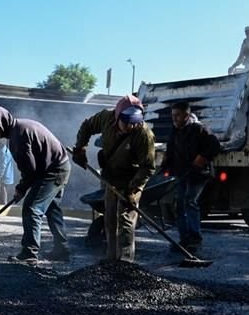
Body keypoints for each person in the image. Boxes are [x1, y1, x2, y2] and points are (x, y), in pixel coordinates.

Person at [0, 105, 71, 264]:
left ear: (2, 123)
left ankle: (29, 253)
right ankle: (62, 250)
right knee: (51, 208)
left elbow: (30, 170)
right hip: (60, 166)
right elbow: (32, 170)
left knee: (31, 208)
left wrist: (20, 189)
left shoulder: (18, 136)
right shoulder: (20, 127)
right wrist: (23, 188)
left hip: (54, 170)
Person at [73, 96, 155, 263]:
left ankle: (125, 261)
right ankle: (111, 260)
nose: (131, 126)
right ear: (117, 117)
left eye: (135, 122)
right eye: (127, 122)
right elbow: (87, 126)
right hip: (111, 176)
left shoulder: (144, 134)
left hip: (133, 178)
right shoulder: (106, 118)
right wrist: (80, 148)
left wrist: (132, 190)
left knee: (125, 219)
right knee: (110, 218)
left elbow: (147, 167)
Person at [159, 102, 221, 253]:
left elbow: (214, 145)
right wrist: (165, 167)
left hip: (198, 173)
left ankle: (195, 239)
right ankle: (184, 239)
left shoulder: (199, 129)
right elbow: (170, 150)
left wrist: (201, 158)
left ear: (186, 115)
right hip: (182, 174)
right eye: (173, 115)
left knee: (190, 201)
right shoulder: (175, 131)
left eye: (177, 115)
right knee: (179, 205)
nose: (174, 118)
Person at [0, 138, 16, 205]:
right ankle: (3, 204)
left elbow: (3, 166)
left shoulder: (3, 152)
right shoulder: (2, 150)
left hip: (5, 176)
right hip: (6, 175)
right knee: (2, 190)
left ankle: (4, 204)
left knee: (3, 190)